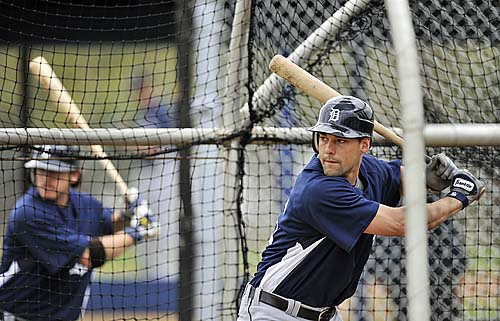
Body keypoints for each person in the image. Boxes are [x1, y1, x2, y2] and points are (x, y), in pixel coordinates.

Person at [237, 95, 485, 321]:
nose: (328, 150)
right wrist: (459, 196)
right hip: (275, 312)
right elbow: (403, 223)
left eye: (340, 140)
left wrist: (428, 179)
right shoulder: (319, 190)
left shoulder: (367, 170)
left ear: (364, 145)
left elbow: (399, 177)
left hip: (324, 314)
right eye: (323, 139)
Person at [0, 145, 159, 321]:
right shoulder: (29, 213)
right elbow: (90, 255)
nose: (46, 179)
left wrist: (128, 215)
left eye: (54, 173)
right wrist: (138, 232)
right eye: (41, 171)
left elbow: (108, 224)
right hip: (17, 316)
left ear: (74, 175)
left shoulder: (83, 203)